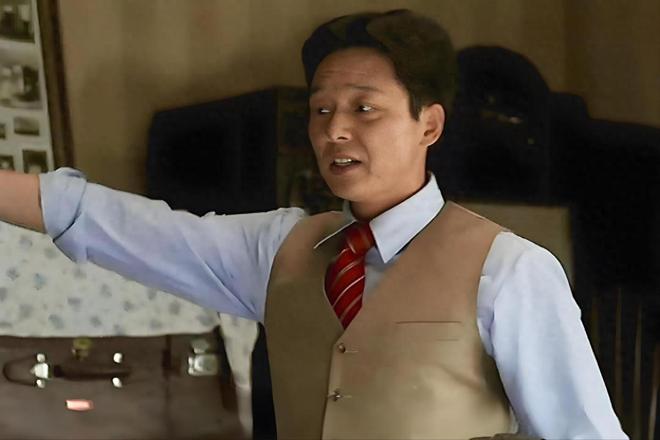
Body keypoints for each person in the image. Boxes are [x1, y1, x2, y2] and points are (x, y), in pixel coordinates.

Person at [0, 9, 627, 440]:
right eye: (321, 110)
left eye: (364, 108)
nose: (335, 130)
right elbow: (117, 225)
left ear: (429, 125)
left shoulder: (510, 269)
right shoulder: (282, 250)